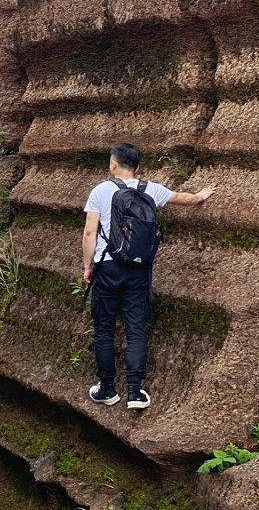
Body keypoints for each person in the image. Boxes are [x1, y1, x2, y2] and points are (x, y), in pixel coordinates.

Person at [82, 143, 216, 410]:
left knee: (104, 330)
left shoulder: (101, 190)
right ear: (138, 167)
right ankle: (135, 392)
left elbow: (89, 234)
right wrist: (200, 196)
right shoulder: (150, 190)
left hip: (107, 267)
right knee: (135, 328)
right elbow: (181, 197)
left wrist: (89, 266)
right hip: (139, 269)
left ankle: (108, 389)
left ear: (113, 164)